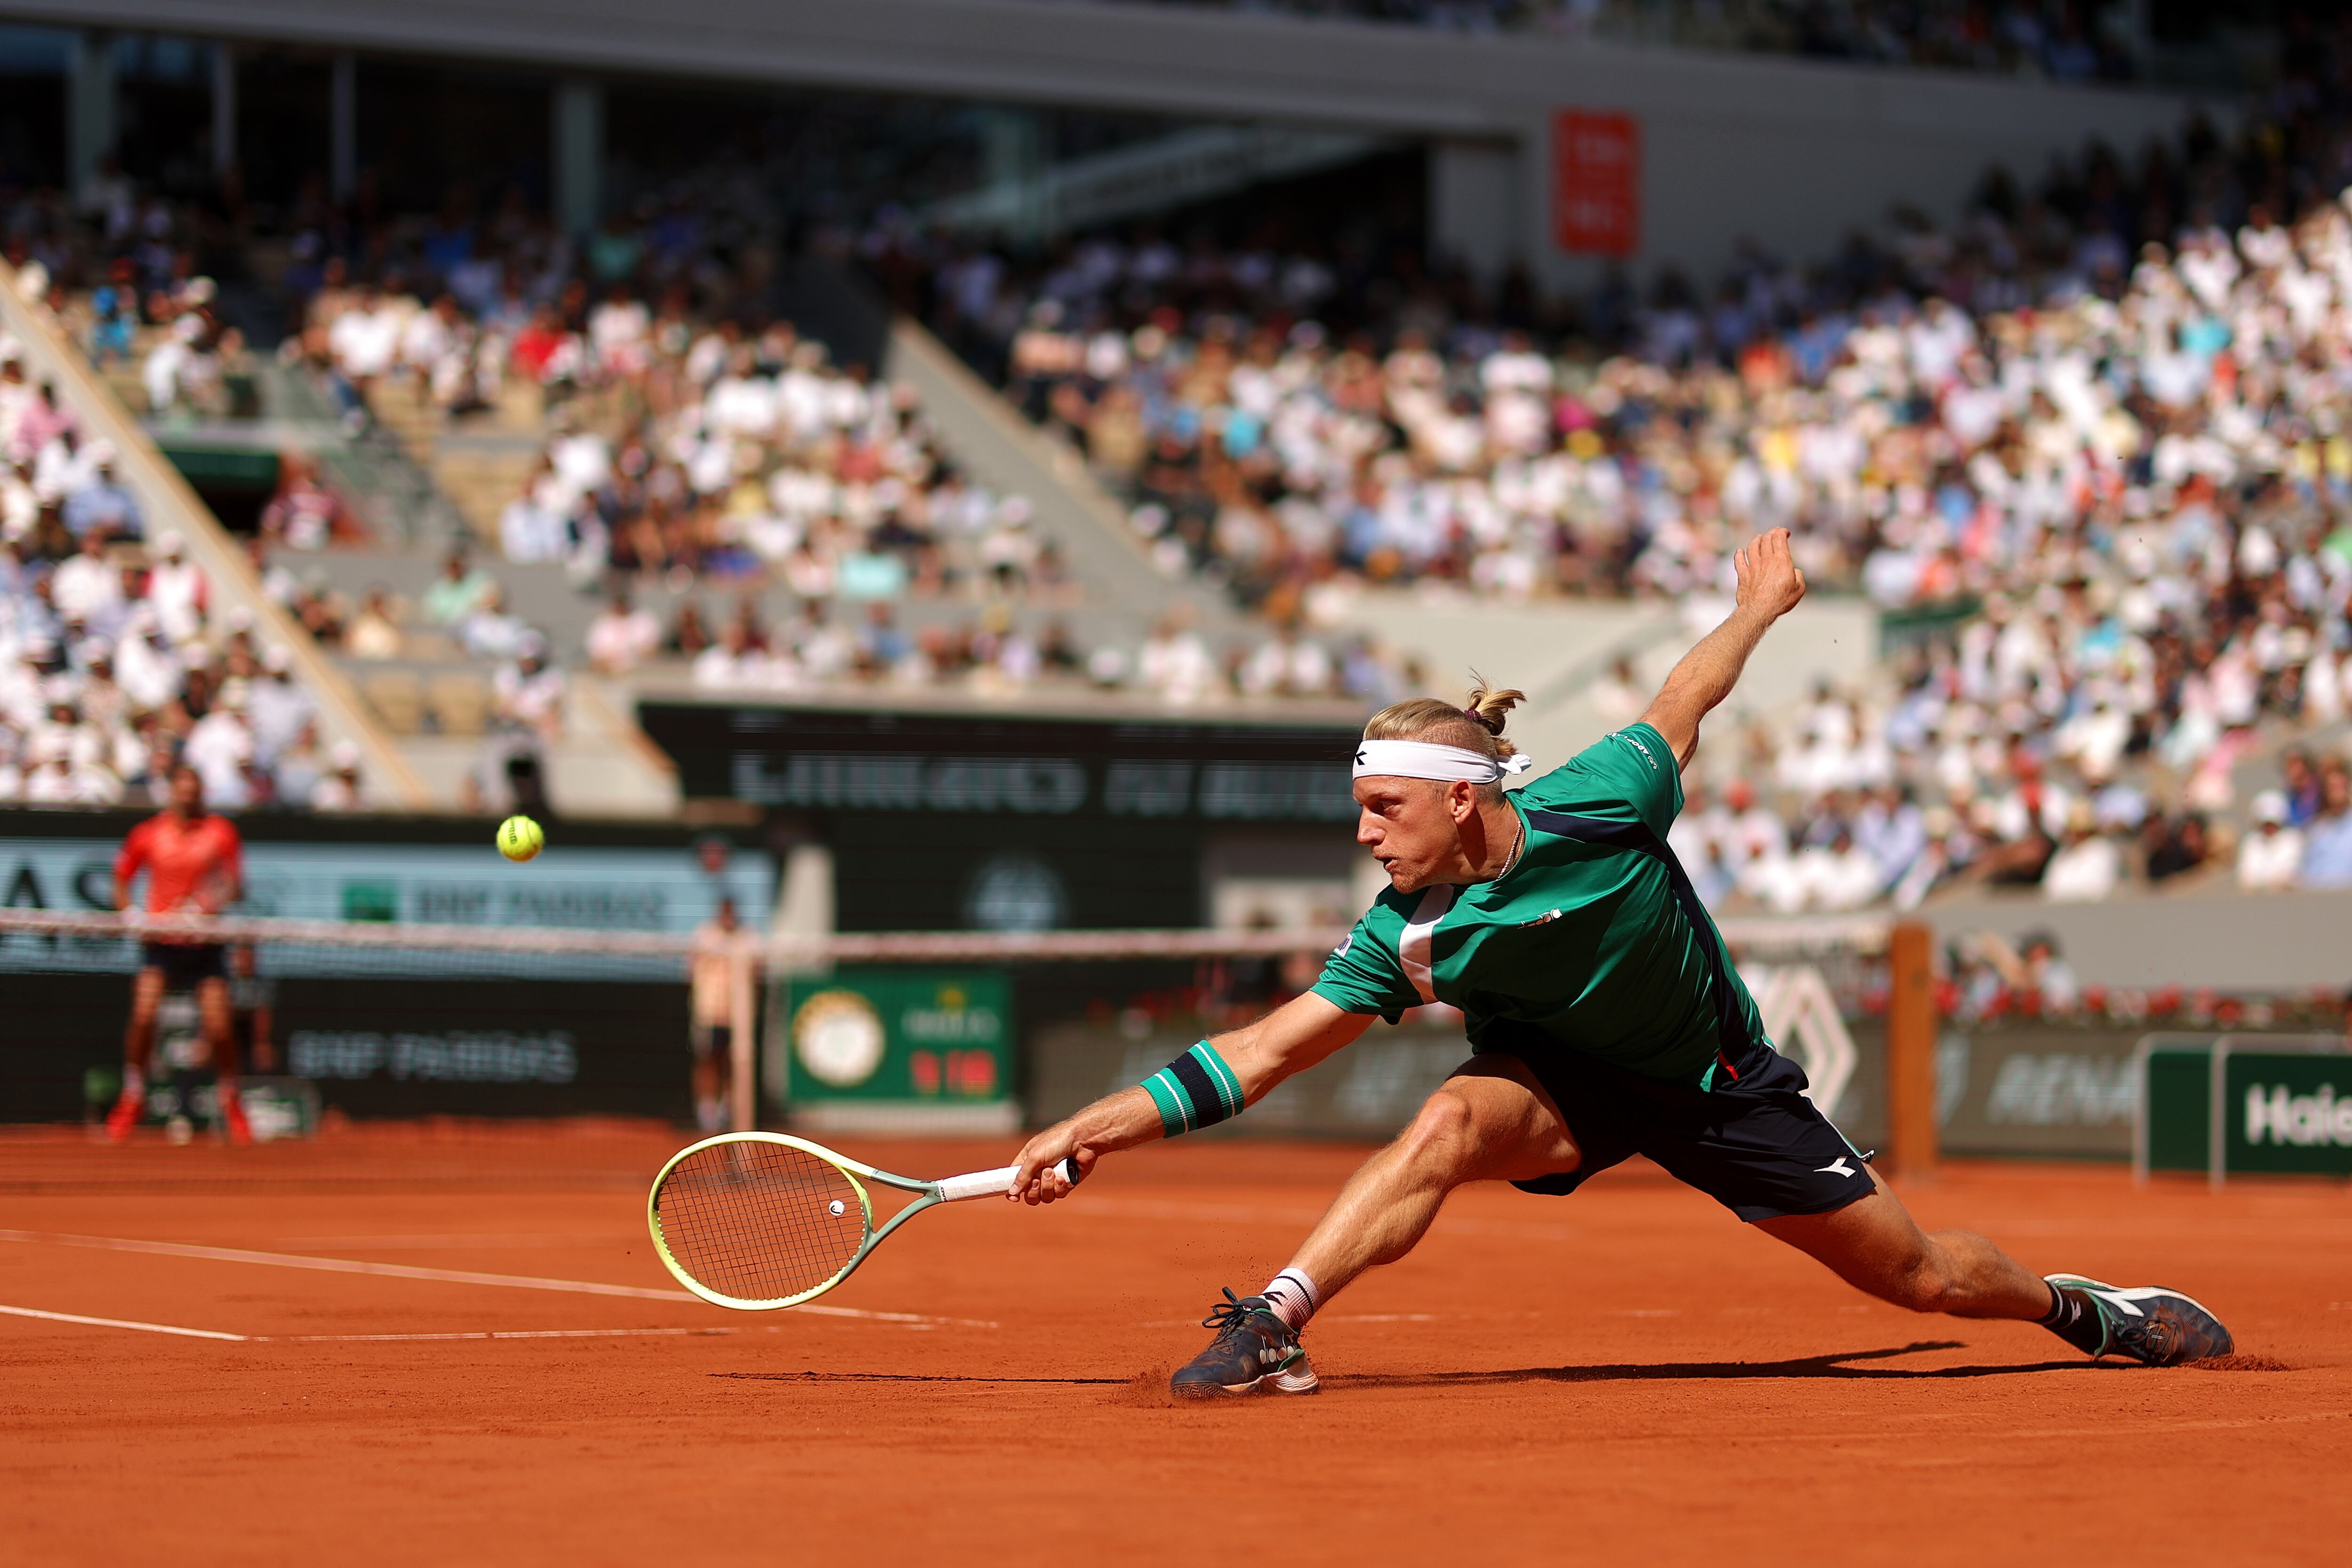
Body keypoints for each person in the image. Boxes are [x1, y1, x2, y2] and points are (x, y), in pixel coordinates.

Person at [1010, 529, 2231, 1396]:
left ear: (1461, 801)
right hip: (1559, 1080)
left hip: (1717, 1085)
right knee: (1442, 1123)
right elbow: (1265, 1051)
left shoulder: (1607, 798)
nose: (1366, 831)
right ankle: (1277, 1319)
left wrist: (1760, 606)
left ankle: (2088, 1312)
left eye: (1386, 807)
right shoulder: (1408, 931)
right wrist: (1097, 1124)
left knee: (1920, 1278)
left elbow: (1685, 695)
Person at [108, 764, 251, 1145]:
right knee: (143, 1015)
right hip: (161, 945)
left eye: (195, 791)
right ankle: (134, 1094)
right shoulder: (147, 834)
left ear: (201, 793)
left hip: (206, 944)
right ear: (172, 792)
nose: (188, 798)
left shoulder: (222, 832)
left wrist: (204, 905)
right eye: (182, 791)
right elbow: (121, 877)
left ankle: (231, 1097)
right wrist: (132, 916)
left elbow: (236, 885)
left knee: (220, 1027)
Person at [688, 899, 741, 1133]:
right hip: (708, 1015)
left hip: (737, 1017)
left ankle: (727, 1113)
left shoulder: (747, 937)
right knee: (707, 1061)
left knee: (734, 1063)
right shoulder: (704, 936)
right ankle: (706, 1116)